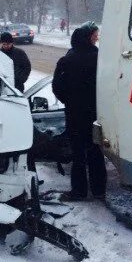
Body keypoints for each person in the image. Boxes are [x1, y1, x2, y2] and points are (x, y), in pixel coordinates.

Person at [52, 22, 107, 200]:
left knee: (78, 155)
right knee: (95, 152)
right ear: (88, 38)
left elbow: (57, 87)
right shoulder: (99, 58)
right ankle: (99, 190)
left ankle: (79, 191)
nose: (96, 37)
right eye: (94, 35)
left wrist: (69, 101)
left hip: (74, 115)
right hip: (95, 114)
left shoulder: (67, 59)